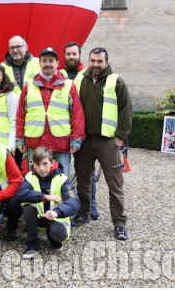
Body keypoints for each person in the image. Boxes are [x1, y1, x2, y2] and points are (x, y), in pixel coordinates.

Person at [72, 48, 132, 241]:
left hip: (108, 141)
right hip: (85, 141)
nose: (95, 64)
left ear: (106, 62)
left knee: (115, 184)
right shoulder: (80, 79)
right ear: (88, 61)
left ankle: (120, 224)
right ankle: (83, 214)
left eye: (99, 61)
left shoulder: (116, 81)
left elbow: (126, 110)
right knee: (83, 181)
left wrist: (119, 137)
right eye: (92, 60)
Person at [16, 47, 85, 180]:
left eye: (51, 60)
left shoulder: (69, 85)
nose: (47, 64)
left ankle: (60, 201)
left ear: (57, 63)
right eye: (44, 61)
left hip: (60, 143)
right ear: (40, 63)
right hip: (35, 142)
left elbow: (77, 115)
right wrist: (20, 138)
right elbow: (21, 115)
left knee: (62, 179)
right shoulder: (29, 86)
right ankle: (36, 201)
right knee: (35, 179)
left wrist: (76, 140)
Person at [60, 41, 100, 220]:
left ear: (79, 56)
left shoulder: (87, 74)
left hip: (81, 130)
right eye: (68, 54)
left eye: (74, 54)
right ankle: (65, 204)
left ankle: (90, 204)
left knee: (86, 172)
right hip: (61, 130)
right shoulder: (58, 74)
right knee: (61, 171)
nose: (71, 57)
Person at [17, 146, 80, 258]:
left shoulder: (62, 179)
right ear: (33, 164)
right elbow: (21, 194)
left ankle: (53, 239)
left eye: (45, 164)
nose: (41, 168)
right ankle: (33, 243)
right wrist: (45, 197)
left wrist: (57, 212)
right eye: (38, 164)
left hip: (55, 218)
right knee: (27, 208)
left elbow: (74, 202)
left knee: (58, 234)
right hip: (38, 217)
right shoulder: (30, 176)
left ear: (52, 163)